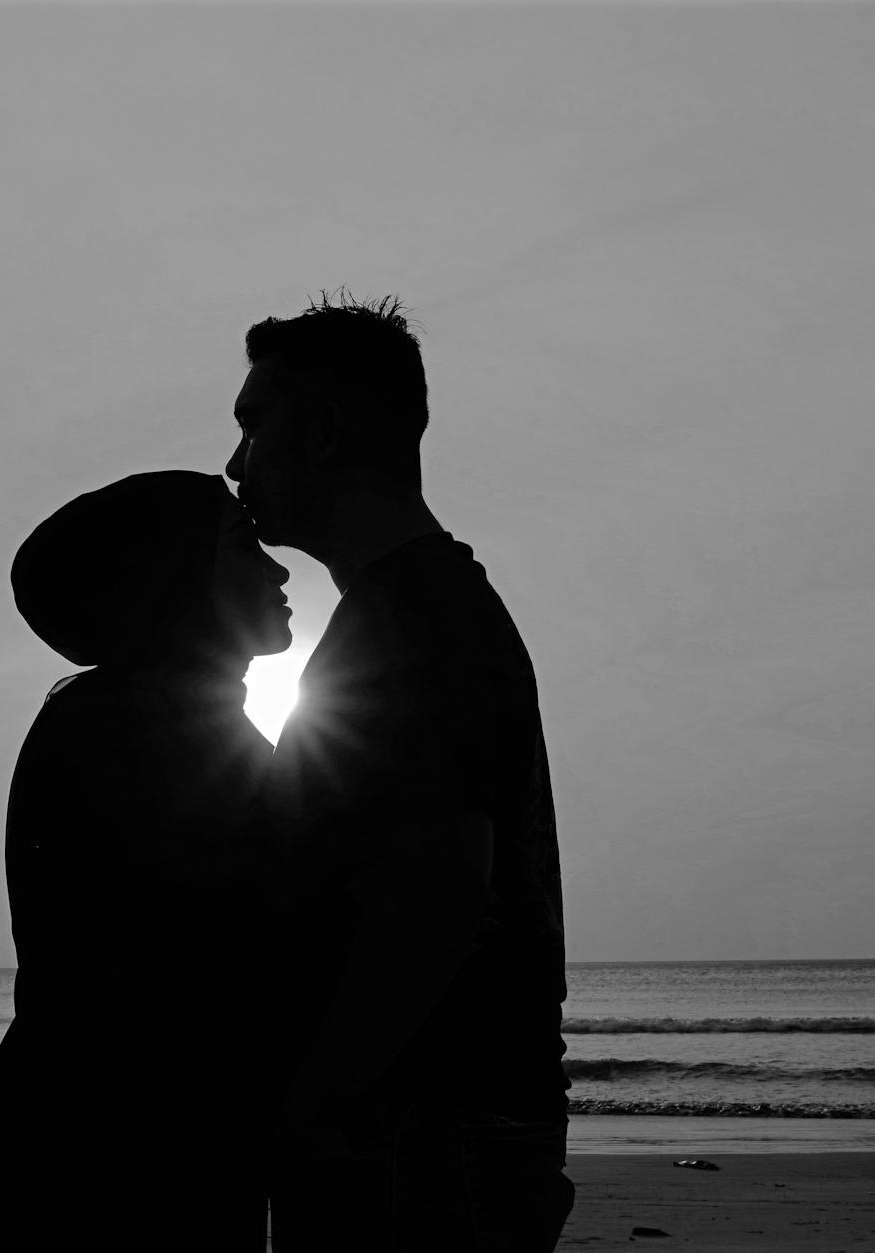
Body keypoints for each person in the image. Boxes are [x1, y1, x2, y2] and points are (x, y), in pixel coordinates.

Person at [228, 292, 575, 1251]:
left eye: (254, 425)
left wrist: (315, 1106)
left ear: (328, 431)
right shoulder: (413, 611)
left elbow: (438, 887)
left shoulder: (417, 622)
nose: (235, 462)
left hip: (422, 1134)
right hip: (435, 1125)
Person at [0, 470, 289, 1252]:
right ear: (178, 576)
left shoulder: (122, 721)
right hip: (117, 1167)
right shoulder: (147, 734)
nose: (277, 569)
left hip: (114, 1147)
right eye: (245, 545)